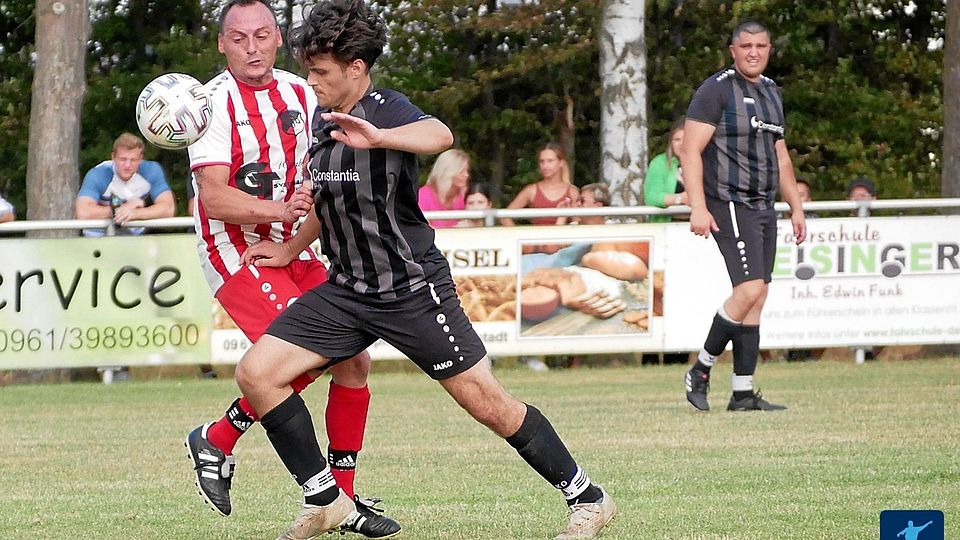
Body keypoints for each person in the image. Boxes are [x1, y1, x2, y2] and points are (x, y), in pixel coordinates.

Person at [235, 2, 616, 538]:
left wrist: (381, 137)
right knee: (257, 374)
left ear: (356, 69)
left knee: (488, 404)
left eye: (320, 71)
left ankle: (589, 498)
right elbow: (327, 203)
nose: (311, 80)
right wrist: (290, 250)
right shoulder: (321, 124)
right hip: (346, 291)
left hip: (411, 290)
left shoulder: (387, 110)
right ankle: (324, 498)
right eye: (310, 69)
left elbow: (440, 135)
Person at [182, 1, 399, 537]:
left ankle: (337, 495)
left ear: (277, 37)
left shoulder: (303, 92)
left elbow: (326, 168)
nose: (251, 48)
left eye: (260, 36)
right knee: (305, 355)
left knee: (353, 360)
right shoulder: (209, 105)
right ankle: (228, 443)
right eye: (238, 38)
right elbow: (213, 198)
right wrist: (280, 211)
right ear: (221, 44)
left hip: (295, 245)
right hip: (238, 253)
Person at [679, 20, 807, 412]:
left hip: (764, 204)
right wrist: (697, 205)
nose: (754, 51)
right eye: (746, 45)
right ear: (733, 50)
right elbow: (689, 150)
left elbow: (780, 155)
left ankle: (743, 392)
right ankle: (699, 369)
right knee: (748, 290)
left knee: (758, 296)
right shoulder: (716, 89)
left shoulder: (771, 92)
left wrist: (796, 205)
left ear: (769, 50)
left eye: (761, 45)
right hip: (729, 202)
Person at [75, 133, 175, 236]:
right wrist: (120, 209)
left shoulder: (151, 170)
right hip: (98, 238)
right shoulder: (98, 174)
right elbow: (83, 212)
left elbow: (168, 208)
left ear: (141, 159)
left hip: (135, 239)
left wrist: (135, 213)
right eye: (123, 159)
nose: (127, 165)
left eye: (133, 160)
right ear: (113, 157)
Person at [501, 142, 579, 226]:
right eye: (542, 161)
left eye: (550, 161)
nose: (545, 166)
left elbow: (578, 221)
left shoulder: (572, 191)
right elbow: (505, 216)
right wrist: (519, 236)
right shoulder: (531, 190)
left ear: (561, 163)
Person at [644, 118, 688, 222]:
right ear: (670, 142)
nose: (681, 144)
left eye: (686, 139)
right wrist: (680, 198)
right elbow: (651, 198)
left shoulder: (706, 161)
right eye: (677, 140)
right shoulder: (659, 163)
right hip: (667, 226)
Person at [418, 148, 470, 228]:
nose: (466, 175)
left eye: (467, 171)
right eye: (462, 171)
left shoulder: (466, 196)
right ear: (448, 171)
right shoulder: (423, 196)